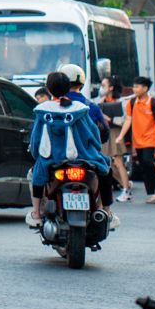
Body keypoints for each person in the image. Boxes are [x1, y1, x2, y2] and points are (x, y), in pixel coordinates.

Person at [27, 71, 112, 227]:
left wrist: (36, 155)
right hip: (84, 157)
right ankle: (105, 210)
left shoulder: (42, 111)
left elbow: (36, 139)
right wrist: (95, 150)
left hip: (52, 159)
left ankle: (36, 213)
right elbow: (93, 134)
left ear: (48, 88)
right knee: (105, 169)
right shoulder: (81, 109)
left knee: (35, 174)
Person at [120, 76, 155, 204]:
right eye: (134, 86)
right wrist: (121, 136)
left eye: (137, 87)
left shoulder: (154, 103)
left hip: (151, 138)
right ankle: (152, 193)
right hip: (137, 140)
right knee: (143, 165)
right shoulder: (131, 103)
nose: (134, 89)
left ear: (145, 88)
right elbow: (128, 120)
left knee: (148, 161)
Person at [99, 77, 131, 201]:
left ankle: (126, 190)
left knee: (118, 161)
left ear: (111, 88)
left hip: (116, 132)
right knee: (109, 163)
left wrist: (109, 119)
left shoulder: (120, 102)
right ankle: (125, 184)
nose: (101, 88)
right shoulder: (100, 101)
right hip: (106, 133)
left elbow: (125, 120)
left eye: (104, 85)